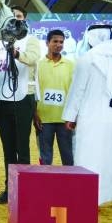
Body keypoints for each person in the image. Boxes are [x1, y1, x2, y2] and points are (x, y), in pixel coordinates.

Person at [62, 23, 112, 210]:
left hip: (93, 117)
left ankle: (88, 196)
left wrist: (70, 116)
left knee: (89, 156)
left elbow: (78, 90)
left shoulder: (87, 59)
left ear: (92, 37)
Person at [0, 5, 40, 204]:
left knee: (22, 147)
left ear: (24, 19)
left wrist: (17, 54)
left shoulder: (31, 40)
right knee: (8, 148)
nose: (15, 19)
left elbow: (33, 59)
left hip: (23, 99)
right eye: (12, 17)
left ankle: (24, 190)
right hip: (2, 101)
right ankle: (9, 190)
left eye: (18, 16)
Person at [34, 29, 75, 166]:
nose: (58, 45)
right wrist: (35, 115)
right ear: (47, 43)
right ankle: (45, 180)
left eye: (61, 42)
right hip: (43, 119)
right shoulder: (38, 65)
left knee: (68, 157)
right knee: (45, 158)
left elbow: (74, 92)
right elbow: (34, 91)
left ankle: (70, 180)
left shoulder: (71, 65)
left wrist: (73, 116)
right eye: (55, 41)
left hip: (65, 119)